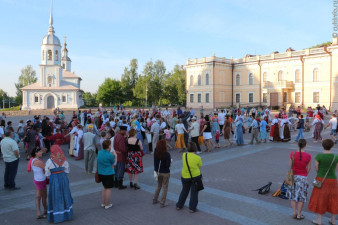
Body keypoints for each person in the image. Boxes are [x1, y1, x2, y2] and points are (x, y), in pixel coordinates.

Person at [308, 139, 338, 225]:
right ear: (331, 146)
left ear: (323, 146)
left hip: (320, 179)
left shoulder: (319, 156)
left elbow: (316, 168)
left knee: (320, 198)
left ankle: (319, 220)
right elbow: (336, 169)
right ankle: (333, 220)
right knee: (333, 198)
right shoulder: (336, 157)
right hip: (332, 179)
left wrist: (321, 171)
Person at [45, 145, 73, 223]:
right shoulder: (64, 160)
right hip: (63, 178)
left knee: (55, 196)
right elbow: (67, 171)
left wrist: (51, 176)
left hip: (54, 179)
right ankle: (67, 214)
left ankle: (57, 216)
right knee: (65, 194)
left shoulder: (49, 161)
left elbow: (47, 174)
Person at [286, 139, 311, 220]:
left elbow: (290, 166)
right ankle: (299, 214)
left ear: (298, 144)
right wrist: (304, 174)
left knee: (293, 195)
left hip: (293, 177)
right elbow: (309, 168)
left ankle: (294, 212)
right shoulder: (308, 156)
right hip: (303, 177)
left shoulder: (292, 154)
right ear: (305, 145)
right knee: (301, 197)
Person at [176, 142, 202, 213]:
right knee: (194, 192)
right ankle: (192, 208)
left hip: (185, 176)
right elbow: (199, 166)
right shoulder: (198, 158)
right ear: (195, 148)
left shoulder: (184, 155)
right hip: (195, 176)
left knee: (184, 190)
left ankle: (179, 205)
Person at [153, 140, 172, 208]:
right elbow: (167, 165)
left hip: (158, 172)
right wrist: (170, 161)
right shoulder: (167, 154)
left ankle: (155, 199)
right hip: (165, 172)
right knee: (165, 187)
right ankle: (162, 203)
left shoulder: (156, 152)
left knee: (159, 186)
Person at [30, 147, 47, 219]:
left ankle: (38, 212)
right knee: (43, 196)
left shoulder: (33, 160)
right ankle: (45, 210)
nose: (41, 152)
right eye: (40, 151)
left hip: (37, 180)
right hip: (41, 180)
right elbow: (46, 170)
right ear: (36, 153)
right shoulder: (38, 162)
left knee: (38, 197)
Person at [98, 139, 115, 209]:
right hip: (108, 173)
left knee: (104, 187)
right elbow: (114, 163)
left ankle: (103, 202)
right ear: (108, 146)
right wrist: (115, 156)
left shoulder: (100, 152)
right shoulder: (110, 155)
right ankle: (107, 204)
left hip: (101, 172)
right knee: (108, 189)